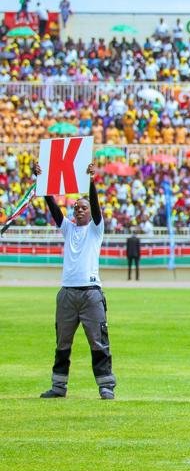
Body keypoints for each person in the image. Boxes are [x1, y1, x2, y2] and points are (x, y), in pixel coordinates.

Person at [31, 161, 116, 400]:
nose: (79, 210)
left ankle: (106, 386)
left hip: (91, 293)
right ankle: (59, 387)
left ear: (90, 212)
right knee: (62, 343)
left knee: (98, 342)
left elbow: (96, 207)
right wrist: (41, 180)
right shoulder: (68, 229)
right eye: (76, 207)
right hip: (67, 293)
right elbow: (53, 208)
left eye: (83, 207)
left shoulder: (96, 229)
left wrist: (91, 182)